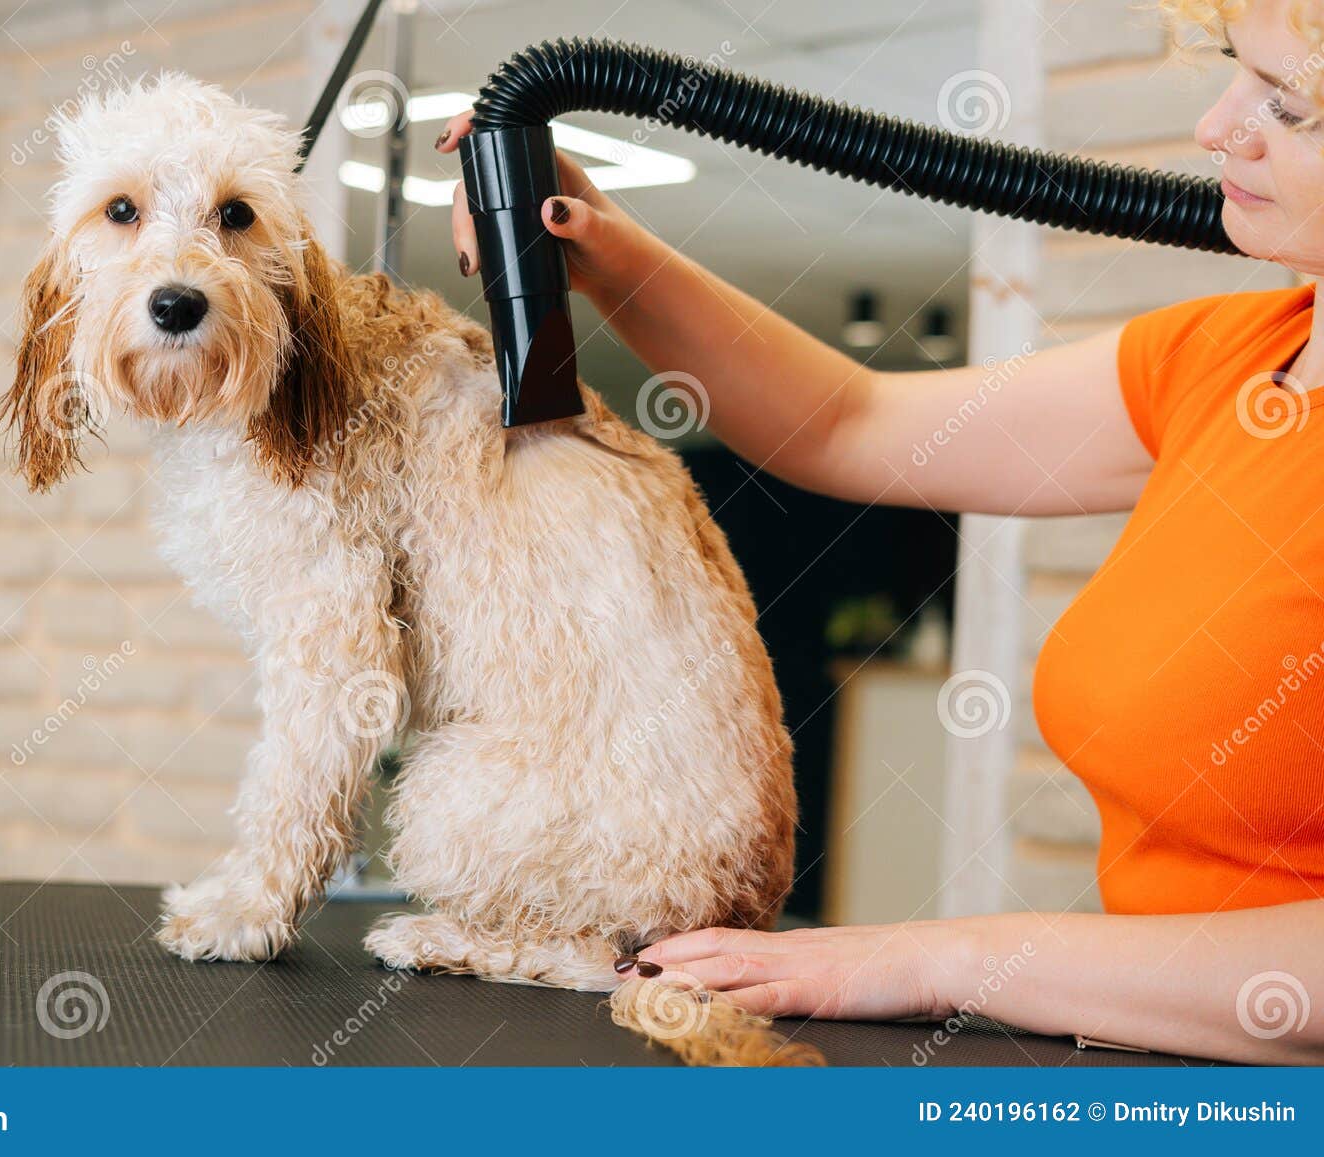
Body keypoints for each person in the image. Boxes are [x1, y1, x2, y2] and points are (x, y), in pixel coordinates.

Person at [438, 0, 1324, 1063]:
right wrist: (601, 251)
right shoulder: (1233, 362)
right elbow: (851, 427)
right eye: (1236, 72)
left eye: (1290, 106)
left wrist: (939, 961)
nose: (1217, 128)